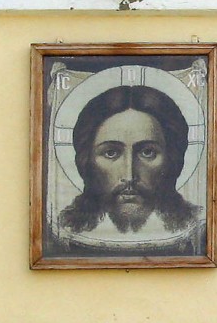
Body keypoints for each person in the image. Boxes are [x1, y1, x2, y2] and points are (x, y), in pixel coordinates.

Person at [56, 85, 205, 254]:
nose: (129, 176)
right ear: (87, 161)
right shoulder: (63, 233)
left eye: (147, 152)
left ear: (171, 159)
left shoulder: (195, 230)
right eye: (111, 153)